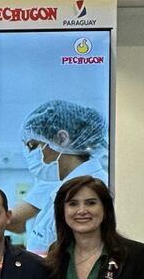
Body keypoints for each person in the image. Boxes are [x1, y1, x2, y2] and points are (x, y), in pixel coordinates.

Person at [10, 99, 108, 254]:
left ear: (61, 139)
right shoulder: (58, 187)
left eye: (33, 146)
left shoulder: (96, 190)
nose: (29, 155)